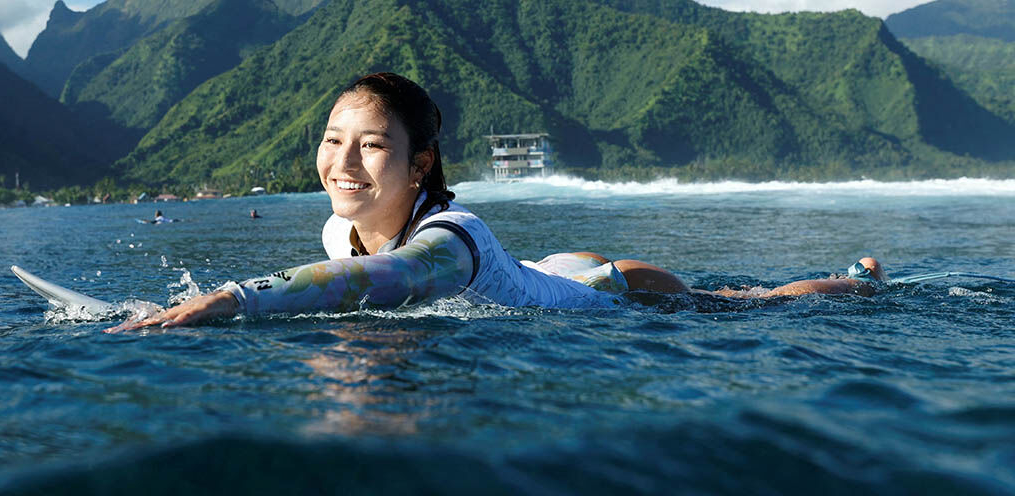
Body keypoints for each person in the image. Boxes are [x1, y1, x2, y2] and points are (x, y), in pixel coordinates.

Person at [107, 73, 883, 333]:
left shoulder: (446, 241)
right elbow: (350, 281)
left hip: (606, 288)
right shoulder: (339, 228)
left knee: (748, 302)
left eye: (372, 144)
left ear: (420, 164)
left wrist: (231, 301)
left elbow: (380, 284)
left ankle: (857, 277)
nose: (343, 162)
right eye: (333, 138)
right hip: (538, 270)